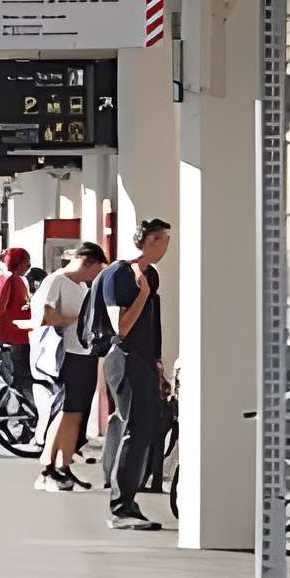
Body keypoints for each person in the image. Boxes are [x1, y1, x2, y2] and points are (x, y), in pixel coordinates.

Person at [92, 218, 171, 530]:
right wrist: (141, 293)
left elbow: (151, 324)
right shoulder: (119, 274)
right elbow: (121, 328)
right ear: (146, 241)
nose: (165, 245)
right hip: (122, 358)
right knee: (134, 429)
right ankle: (121, 507)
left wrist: (157, 363)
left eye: (167, 239)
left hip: (141, 361)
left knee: (140, 429)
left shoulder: (151, 275)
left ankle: (126, 502)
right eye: (160, 239)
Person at [32, 241, 105, 493]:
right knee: (65, 412)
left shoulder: (82, 285)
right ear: (87, 261)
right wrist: (81, 320)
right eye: (96, 269)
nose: (96, 276)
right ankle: (48, 468)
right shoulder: (57, 281)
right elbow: (47, 317)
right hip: (68, 355)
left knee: (76, 415)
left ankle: (63, 466)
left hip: (85, 354)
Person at [0, 245, 35, 435]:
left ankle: (16, 423)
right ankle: (20, 423)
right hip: (13, 340)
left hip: (21, 338)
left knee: (19, 382)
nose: (29, 266)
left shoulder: (19, 281)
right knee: (21, 383)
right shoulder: (8, 279)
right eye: (26, 262)